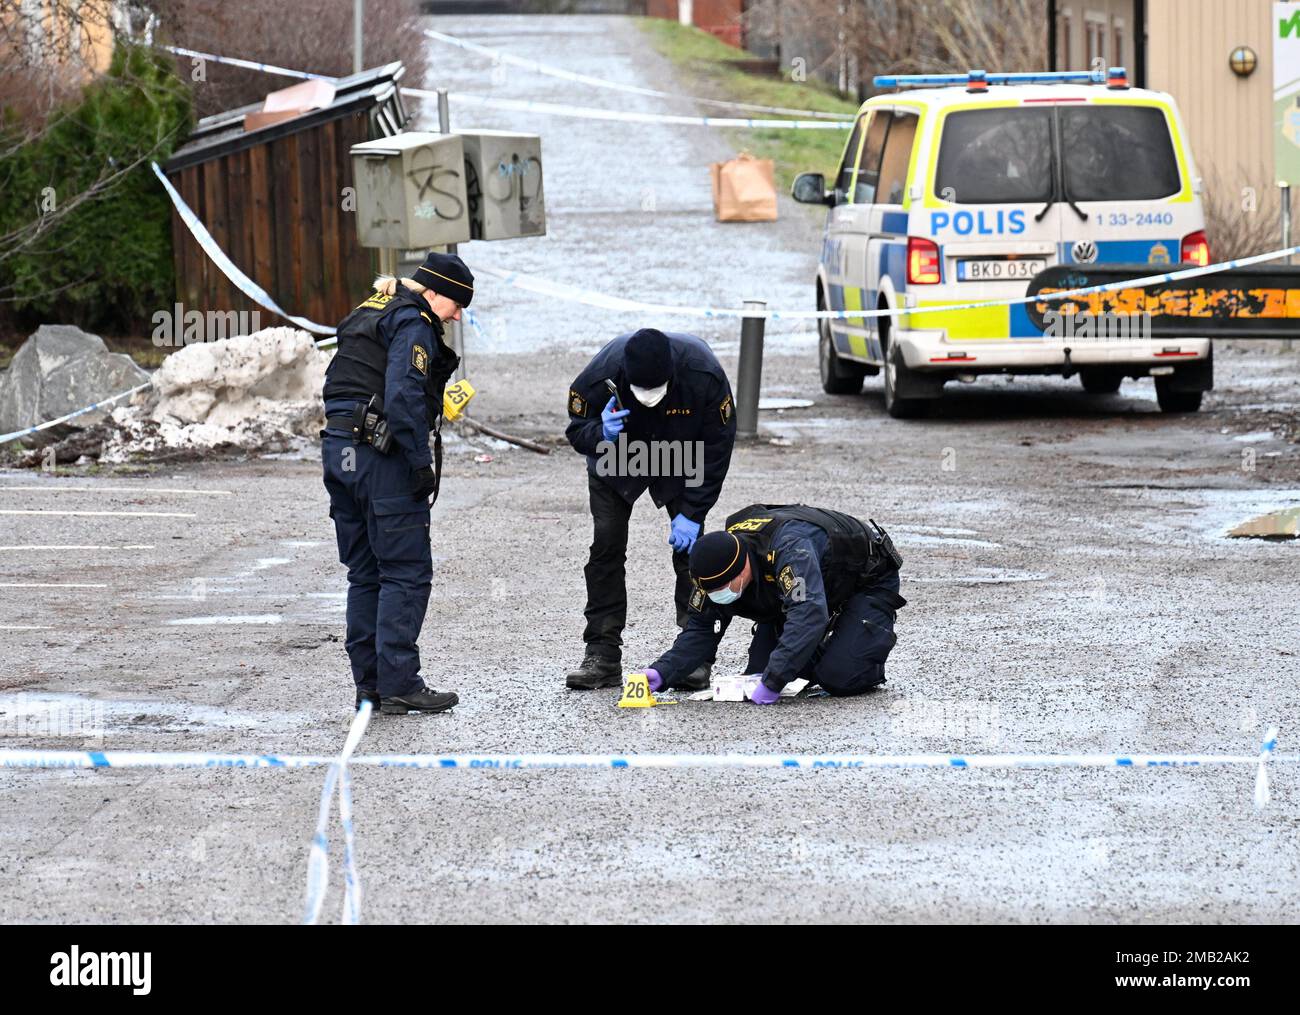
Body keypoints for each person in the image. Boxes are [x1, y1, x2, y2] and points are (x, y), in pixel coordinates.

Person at [320, 252, 472, 714]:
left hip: (339, 449)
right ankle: (401, 683)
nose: (459, 315)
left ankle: (371, 685)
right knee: (405, 571)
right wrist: (418, 460)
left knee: (365, 574)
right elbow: (403, 392)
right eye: (458, 304)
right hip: (380, 457)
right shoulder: (414, 323)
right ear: (435, 293)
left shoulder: (369, 310)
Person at [564, 328, 737, 691]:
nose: (649, 399)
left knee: (692, 554)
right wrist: (600, 433)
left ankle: (695, 654)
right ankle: (602, 653)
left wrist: (692, 511)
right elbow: (576, 429)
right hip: (619, 455)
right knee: (606, 547)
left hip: (679, 452)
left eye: (656, 391)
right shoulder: (601, 375)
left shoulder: (703, 374)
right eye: (641, 392)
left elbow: (717, 448)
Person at [642, 504, 906, 703]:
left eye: (725, 587)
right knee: (760, 669)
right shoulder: (715, 567)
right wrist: (663, 672)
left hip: (865, 579)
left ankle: (860, 651)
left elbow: (808, 614)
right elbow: (700, 631)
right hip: (810, 586)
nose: (720, 594)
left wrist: (774, 682)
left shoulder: (790, 550)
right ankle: (828, 647)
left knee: (837, 676)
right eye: (713, 590)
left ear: (744, 567)